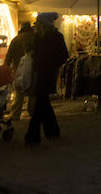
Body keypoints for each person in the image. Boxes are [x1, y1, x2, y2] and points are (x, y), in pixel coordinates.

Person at [24, 12, 68, 146]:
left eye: (38, 22)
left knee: (40, 104)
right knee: (44, 103)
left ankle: (33, 135)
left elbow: (63, 55)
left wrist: (52, 64)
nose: (35, 24)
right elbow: (32, 50)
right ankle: (53, 131)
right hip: (39, 73)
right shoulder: (37, 37)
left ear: (43, 24)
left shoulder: (56, 37)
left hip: (48, 73)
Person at [4, 22, 36, 121]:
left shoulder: (16, 39)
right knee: (33, 92)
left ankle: (15, 113)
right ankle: (32, 111)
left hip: (18, 69)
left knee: (18, 93)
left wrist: (6, 68)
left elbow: (9, 56)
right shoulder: (34, 38)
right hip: (33, 69)